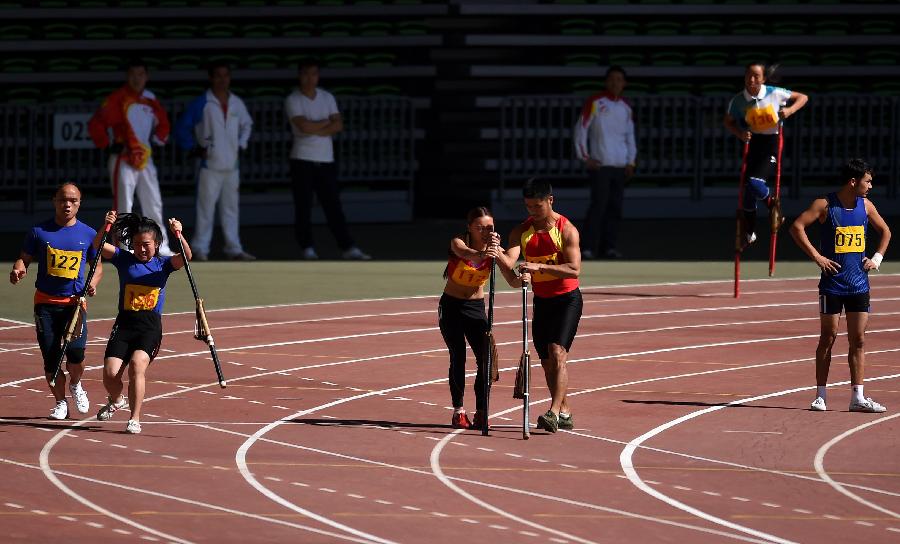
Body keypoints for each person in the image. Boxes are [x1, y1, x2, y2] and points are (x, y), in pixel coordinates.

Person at [790, 159, 891, 413]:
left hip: (858, 284)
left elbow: (886, 232)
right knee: (828, 336)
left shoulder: (866, 206)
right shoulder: (825, 205)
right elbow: (797, 227)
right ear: (853, 181)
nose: (870, 186)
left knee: (858, 340)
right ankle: (820, 395)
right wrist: (817, 257)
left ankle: (858, 397)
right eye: (867, 181)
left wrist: (876, 259)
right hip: (832, 285)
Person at [9, 183, 102, 420]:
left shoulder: (88, 234)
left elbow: (97, 267)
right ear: (54, 201)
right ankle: (60, 402)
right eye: (63, 200)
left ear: (79, 203)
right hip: (46, 304)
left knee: (76, 354)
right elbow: (24, 259)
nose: (67, 204)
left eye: (73, 200)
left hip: (74, 304)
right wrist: (18, 269)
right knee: (51, 357)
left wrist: (93, 283)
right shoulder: (39, 232)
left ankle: (76, 384)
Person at [496, 178, 582, 433]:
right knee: (546, 362)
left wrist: (538, 266)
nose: (532, 211)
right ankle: (564, 410)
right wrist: (495, 251)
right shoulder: (521, 232)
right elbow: (510, 266)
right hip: (541, 301)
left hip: (567, 300)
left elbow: (574, 269)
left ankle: (553, 413)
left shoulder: (566, 229)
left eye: (537, 206)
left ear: (550, 201)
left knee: (558, 353)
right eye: (528, 206)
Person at [92, 211, 191, 434]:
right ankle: (117, 400)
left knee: (137, 366)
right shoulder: (123, 259)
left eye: (146, 244)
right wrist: (105, 225)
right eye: (137, 244)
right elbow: (97, 245)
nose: (141, 249)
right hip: (124, 324)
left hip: (149, 327)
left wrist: (179, 234)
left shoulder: (163, 265)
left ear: (156, 245)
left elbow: (186, 256)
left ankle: (134, 418)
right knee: (110, 374)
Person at [284, 58, 370, 261]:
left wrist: (315, 126)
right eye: (305, 73)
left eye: (313, 73)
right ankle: (307, 247)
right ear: (300, 75)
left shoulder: (327, 97)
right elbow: (303, 127)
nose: (309, 78)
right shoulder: (293, 99)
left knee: (333, 206)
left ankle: (348, 247)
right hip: (302, 159)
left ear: (318, 76)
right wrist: (325, 124)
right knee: (303, 207)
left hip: (326, 160)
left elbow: (338, 125)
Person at [88, 58, 174, 256]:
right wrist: (107, 144)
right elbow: (96, 123)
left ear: (146, 76)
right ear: (128, 76)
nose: (137, 79)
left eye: (141, 74)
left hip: (145, 158)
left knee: (154, 203)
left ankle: (161, 246)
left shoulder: (151, 99)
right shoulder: (117, 98)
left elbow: (164, 124)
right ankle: (123, 248)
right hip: (124, 159)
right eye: (133, 74)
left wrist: (159, 139)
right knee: (123, 205)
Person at [175, 62, 255, 261]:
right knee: (205, 209)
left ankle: (233, 248)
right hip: (209, 166)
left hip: (232, 166)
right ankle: (200, 248)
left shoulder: (236, 102)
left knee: (231, 209)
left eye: (225, 75)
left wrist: (242, 144)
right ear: (211, 78)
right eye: (218, 75)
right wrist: (193, 148)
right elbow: (182, 128)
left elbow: (247, 124)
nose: (222, 79)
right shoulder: (202, 102)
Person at [724, 62, 808, 247]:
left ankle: (774, 208)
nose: (752, 79)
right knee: (748, 192)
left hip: (771, 144)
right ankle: (749, 232)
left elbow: (803, 97)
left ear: (763, 78)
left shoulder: (775, 93)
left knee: (755, 183)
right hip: (753, 142)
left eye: (756, 76)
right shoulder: (738, 101)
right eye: (749, 75)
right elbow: (728, 121)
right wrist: (739, 133)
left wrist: (789, 110)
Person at [438, 207, 502, 430]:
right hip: (452, 306)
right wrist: (485, 254)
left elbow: (508, 265)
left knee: (486, 359)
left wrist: (519, 272)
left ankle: (482, 411)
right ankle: (458, 411)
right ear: (469, 228)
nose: (485, 232)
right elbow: (466, 254)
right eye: (480, 228)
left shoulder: (494, 248)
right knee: (458, 356)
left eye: (489, 228)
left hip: (476, 307)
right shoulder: (458, 241)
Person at [574, 65, 636, 260]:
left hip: (620, 165)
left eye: (619, 79)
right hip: (600, 165)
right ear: (606, 82)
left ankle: (608, 247)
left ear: (624, 83)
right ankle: (587, 247)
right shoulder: (595, 102)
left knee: (615, 208)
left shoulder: (626, 106)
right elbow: (581, 129)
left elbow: (630, 136)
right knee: (598, 206)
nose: (615, 83)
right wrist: (585, 157)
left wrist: (631, 161)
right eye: (612, 79)